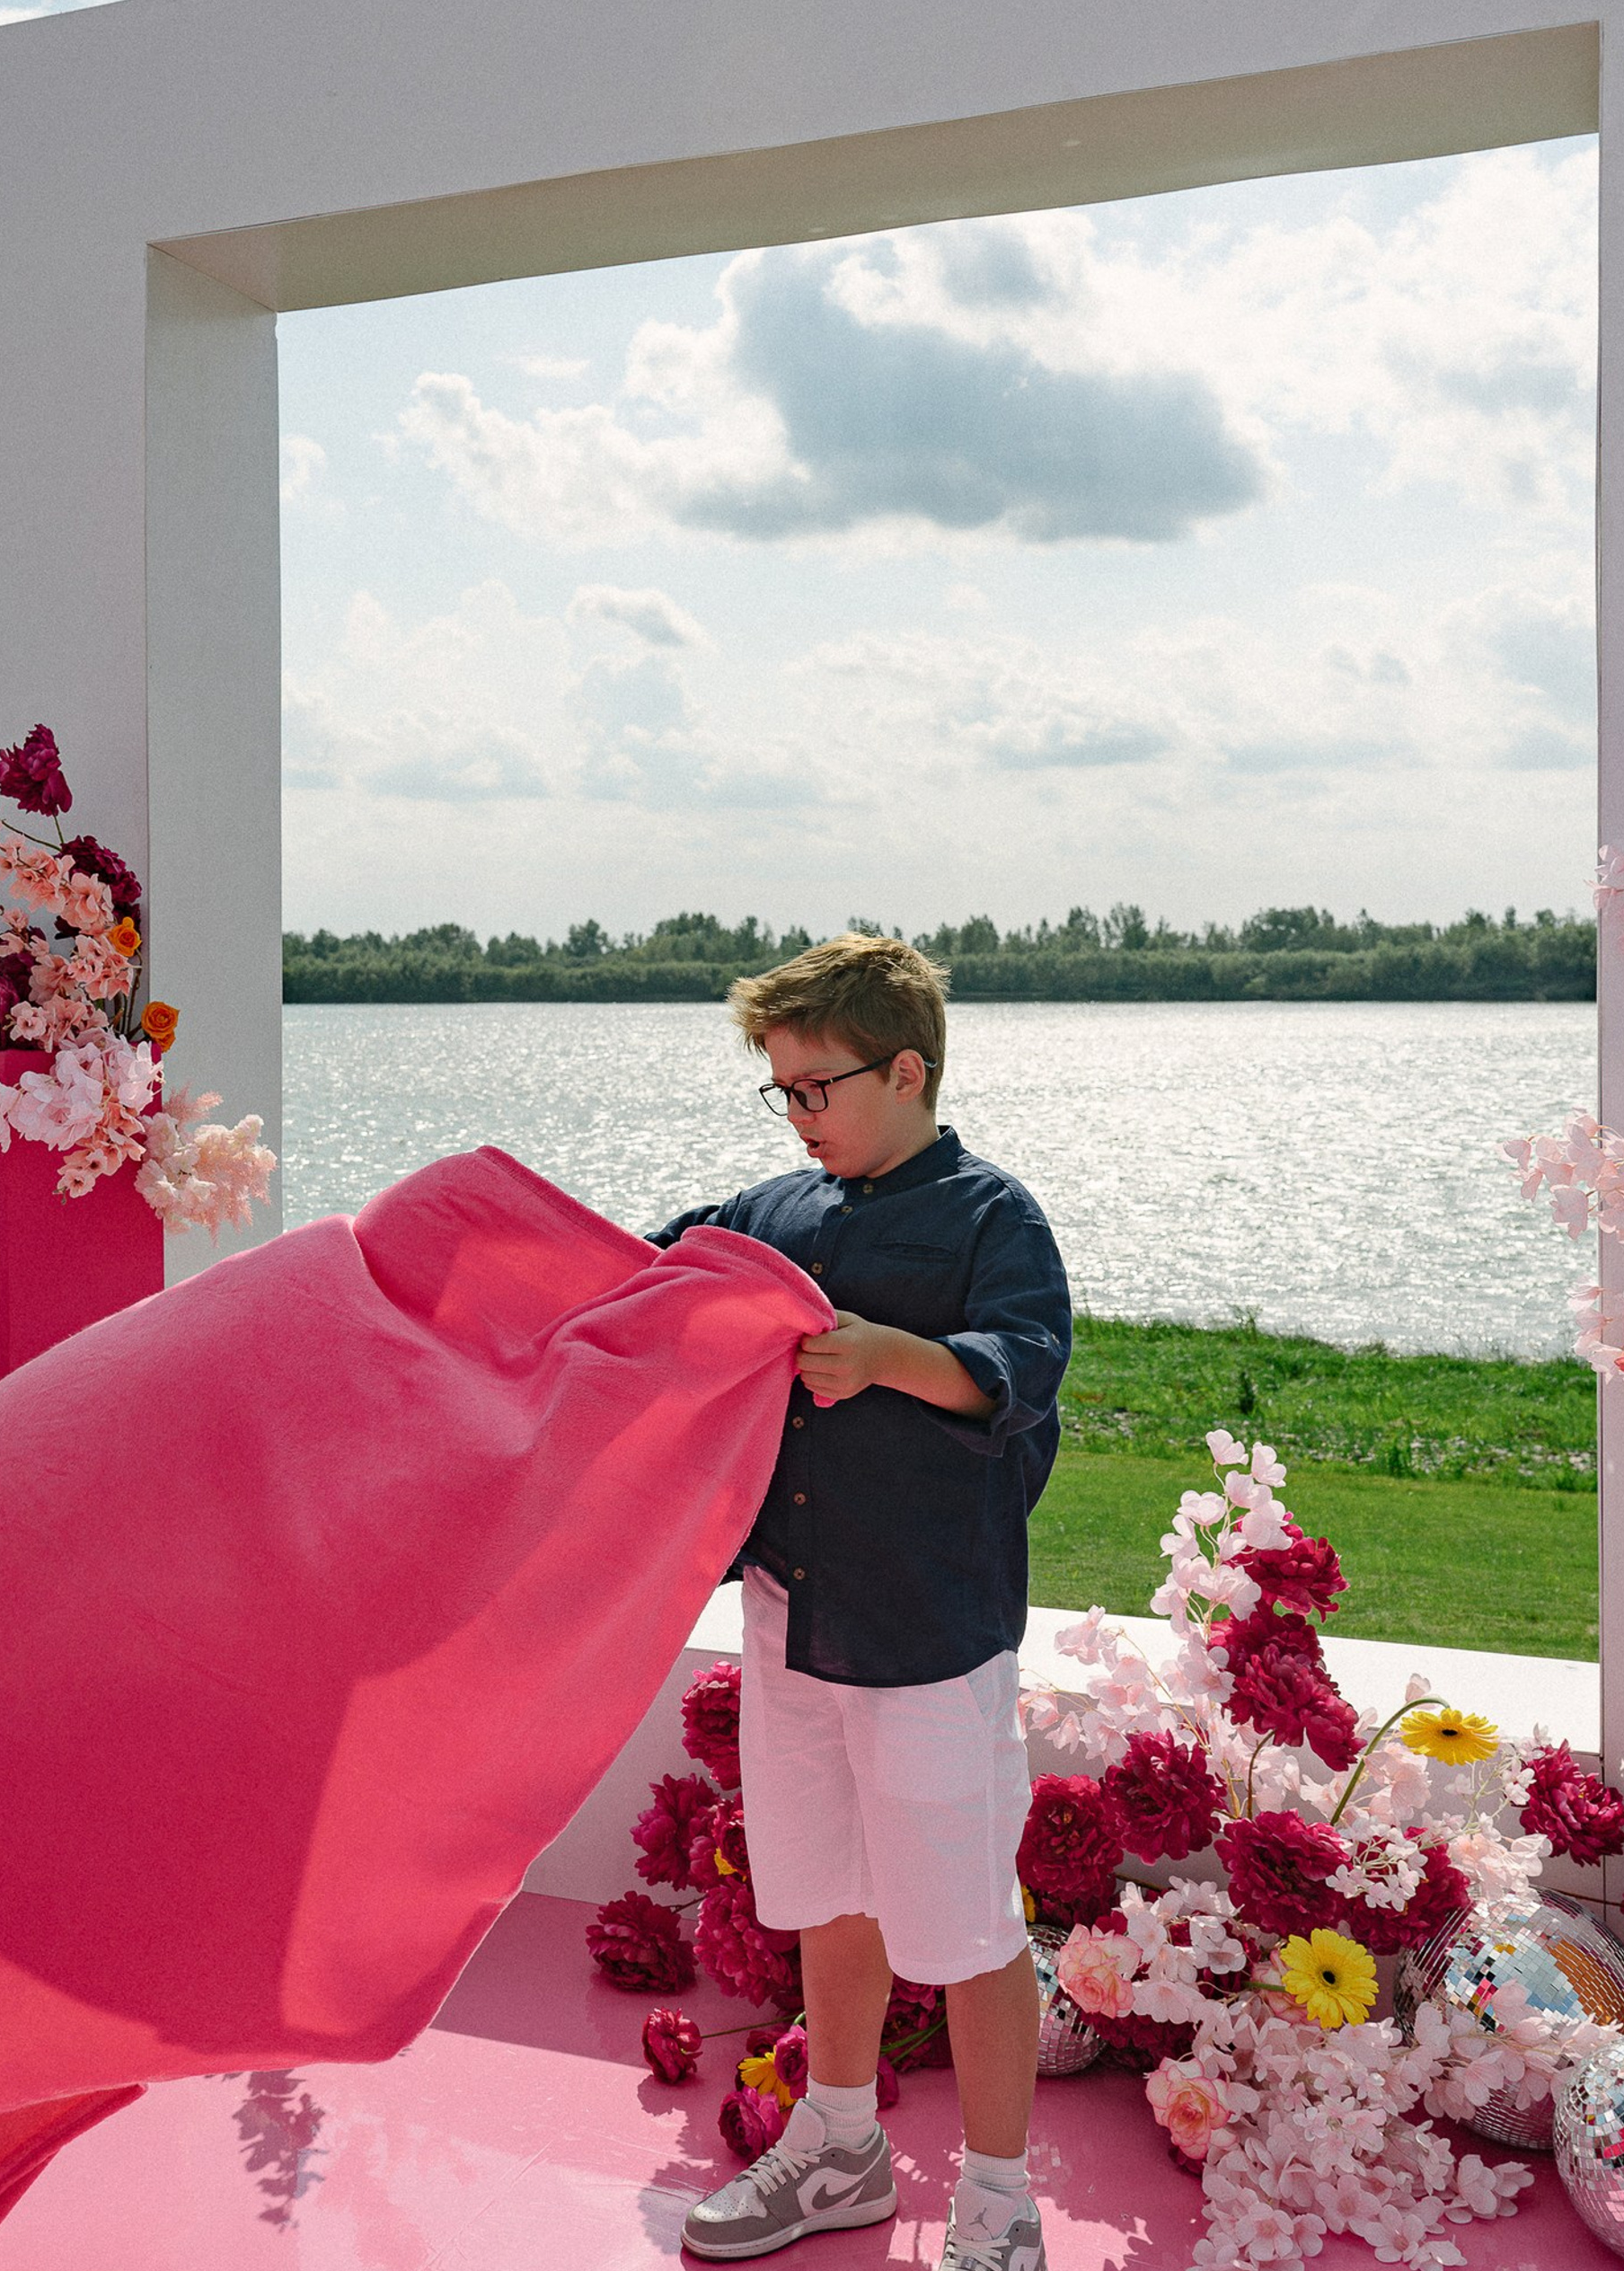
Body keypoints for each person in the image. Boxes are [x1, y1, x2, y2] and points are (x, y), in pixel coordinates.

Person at [655, 934, 1071, 2271]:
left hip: (934, 1641)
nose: (797, 1116)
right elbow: (647, 1274)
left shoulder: (992, 1217)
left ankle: (1000, 2204)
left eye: (815, 1088)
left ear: (906, 1070)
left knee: (963, 1928)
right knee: (830, 1900)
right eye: (778, 1092)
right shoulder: (774, 1211)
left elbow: (1023, 1365)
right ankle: (839, 2149)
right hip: (795, 1624)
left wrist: (899, 1357)